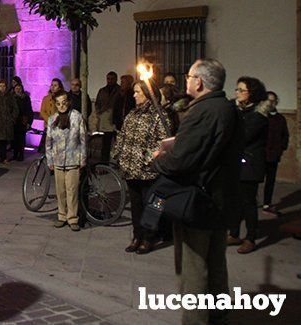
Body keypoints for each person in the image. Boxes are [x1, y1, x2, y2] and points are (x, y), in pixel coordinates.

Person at [153, 58, 241, 325]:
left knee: (194, 269)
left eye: (190, 76)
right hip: (220, 199)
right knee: (216, 264)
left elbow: (182, 160)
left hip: (199, 202)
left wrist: (159, 157)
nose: (187, 80)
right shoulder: (228, 108)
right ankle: (218, 316)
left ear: (200, 82)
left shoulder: (202, 112)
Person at [112, 81, 171, 254]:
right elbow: (122, 136)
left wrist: (147, 159)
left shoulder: (159, 115)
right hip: (131, 169)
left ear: (147, 93)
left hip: (149, 171)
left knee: (152, 206)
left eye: (137, 92)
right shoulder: (132, 114)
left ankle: (149, 238)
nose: (134, 95)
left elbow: (164, 142)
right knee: (136, 205)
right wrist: (118, 154)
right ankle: (137, 236)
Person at [227, 76, 270, 254]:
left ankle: (251, 237)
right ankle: (234, 233)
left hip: (250, 164)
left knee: (248, 202)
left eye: (241, 90)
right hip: (236, 162)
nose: (237, 93)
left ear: (251, 93)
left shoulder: (258, 115)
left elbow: (243, 136)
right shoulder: (238, 110)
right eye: (237, 89)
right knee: (234, 201)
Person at [45, 92, 86, 231]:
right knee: (60, 190)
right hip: (57, 160)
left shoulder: (77, 117)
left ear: (68, 102)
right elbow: (48, 142)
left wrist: (83, 159)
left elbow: (82, 139)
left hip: (73, 159)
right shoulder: (52, 119)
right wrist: (49, 159)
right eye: (58, 103)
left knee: (72, 190)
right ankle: (61, 215)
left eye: (64, 102)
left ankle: (73, 218)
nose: (61, 106)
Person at [263, 91, 289, 215]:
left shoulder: (280, 119)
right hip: (260, 155)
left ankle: (267, 203)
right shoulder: (261, 116)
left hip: (273, 155)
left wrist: (281, 148)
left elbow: (285, 135)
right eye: (269, 100)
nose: (271, 103)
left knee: (270, 180)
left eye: (273, 100)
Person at [92, 71, 120, 162]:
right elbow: (97, 105)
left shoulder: (119, 90)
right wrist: (99, 112)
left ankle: (117, 163)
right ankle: (104, 163)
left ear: (116, 79)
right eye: (108, 79)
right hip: (104, 122)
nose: (110, 81)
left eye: (112, 79)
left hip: (115, 121)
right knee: (105, 145)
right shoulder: (102, 91)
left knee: (118, 144)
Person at [12, 83, 33, 162]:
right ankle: (15, 154)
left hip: (22, 121)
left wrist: (29, 122)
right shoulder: (12, 98)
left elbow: (29, 110)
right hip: (14, 121)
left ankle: (21, 155)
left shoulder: (25, 98)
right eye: (16, 88)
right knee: (14, 139)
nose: (18, 90)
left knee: (21, 139)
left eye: (19, 88)